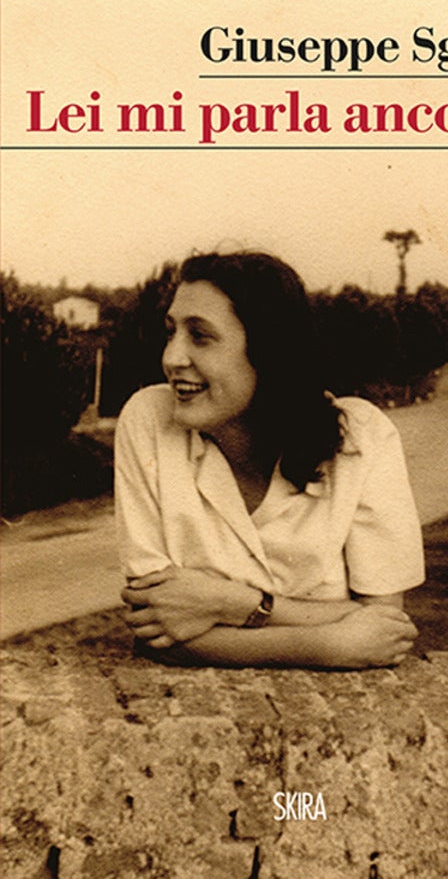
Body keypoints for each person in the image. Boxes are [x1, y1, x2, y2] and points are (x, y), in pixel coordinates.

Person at [116, 251, 424, 669]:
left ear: (267, 350)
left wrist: (230, 603)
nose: (172, 357)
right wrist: (324, 645)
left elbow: (384, 626)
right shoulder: (149, 419)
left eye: (200, 336)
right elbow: (156, 628)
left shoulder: (363, 437)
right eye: (171, 333)